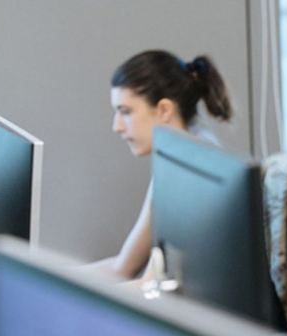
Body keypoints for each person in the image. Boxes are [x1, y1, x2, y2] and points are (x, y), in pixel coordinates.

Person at [94, 49, 233, 278]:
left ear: (164, 109)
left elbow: (151, 287)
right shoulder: (177, 159)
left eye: (125, 112)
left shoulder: (192, 170)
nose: (117, 126)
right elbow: (122, 267)